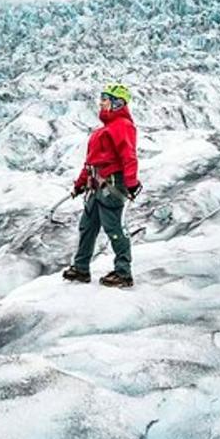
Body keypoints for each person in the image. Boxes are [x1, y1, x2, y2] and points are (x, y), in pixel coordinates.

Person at [62, 83, 142, 287]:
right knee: (87, 227)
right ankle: (81, 269)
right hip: (95, 187)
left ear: (117, 103)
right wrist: (80, 184)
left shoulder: (122, 125)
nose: (101, 102)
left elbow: (128, 156)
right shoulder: (104, 130)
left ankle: (123, 273)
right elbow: (90, 163)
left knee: (114, 227)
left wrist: (131, 183)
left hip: (111, 185)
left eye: (105, 99)